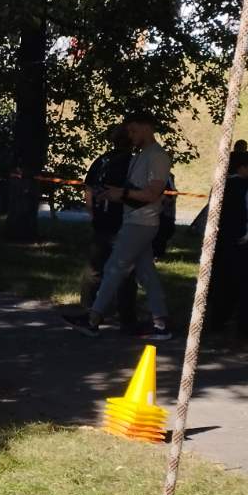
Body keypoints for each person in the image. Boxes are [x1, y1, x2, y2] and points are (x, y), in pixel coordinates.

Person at [64, 110, 175, 340]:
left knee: (115, 267)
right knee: (146, 273)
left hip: (142, 222)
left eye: (134, 130)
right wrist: (114, 194)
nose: (130, 136)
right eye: (129, 131)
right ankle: (161, 323)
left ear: (147, 127)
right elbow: (134, 190)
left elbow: (153, 193)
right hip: (133, 219)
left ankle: (93, 319)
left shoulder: (157, 156)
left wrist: (122, 193)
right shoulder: (141, 155)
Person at [80, 124, 138, 330]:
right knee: (126, 271)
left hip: (102, 222)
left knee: (95, 269)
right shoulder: (133, 164)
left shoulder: (102, 161)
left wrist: (93, 213)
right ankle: (127, 318)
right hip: (123, 222)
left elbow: (88, 189)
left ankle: (89, 311)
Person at [207, 150, 248, 336]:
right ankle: (245, 324)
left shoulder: (220, 185)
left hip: (222, 240)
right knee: (246, 284)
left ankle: (217, 320)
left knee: (221, 281)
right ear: (245, 167)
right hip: (244, 242)